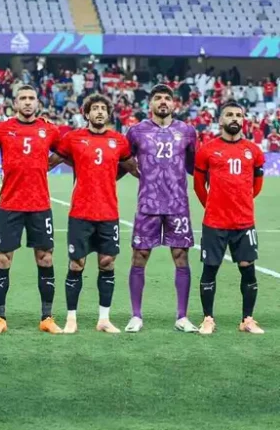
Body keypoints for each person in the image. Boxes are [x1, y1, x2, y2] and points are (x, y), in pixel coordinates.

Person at [0, 86, 62, 335]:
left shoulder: (49, 129)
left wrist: (47, 163)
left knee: (45, 258)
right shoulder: (2, 129)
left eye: (31, 98)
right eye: (22, 98)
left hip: (40, 205)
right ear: (15, 104)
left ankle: (47, 318)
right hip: (9, 205)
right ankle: (0, 318)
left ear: (38, 103)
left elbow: (65, 151)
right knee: (3, 258)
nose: (27, 102)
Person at [49, 93, 135, 334]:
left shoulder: (119, 141)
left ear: (108, 114)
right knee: (77, 264)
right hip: (81, 213)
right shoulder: (73, 138)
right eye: (94, 108)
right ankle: (71, 318)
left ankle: (104, 319)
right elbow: (50, 162)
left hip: (108, 213)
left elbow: (132, 167)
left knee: (107, 263)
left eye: (103, 109)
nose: (99, 112)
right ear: (86, 113)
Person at [124, 84, 199, 333]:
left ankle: (182, 317)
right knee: (139, 256)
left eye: (167, 98)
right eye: (158, 98)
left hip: (178, 204)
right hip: (148, 203)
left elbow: (194, 166)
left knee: (181, 256)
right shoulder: (136, 131)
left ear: (174, 103)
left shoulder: (187, 131)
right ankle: (136, 316)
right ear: (151, 104)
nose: (163, 101)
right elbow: (124, 161)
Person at [193, 100, 265, 335]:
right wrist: (212, 206)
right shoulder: (207, 150)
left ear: (243, 120)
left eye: (238, 115)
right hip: (215, 222)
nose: (235, 118)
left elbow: (257, 185)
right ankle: (208, 319)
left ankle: (247, 320)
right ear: (220, 119)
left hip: (244, 222)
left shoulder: (254, 151)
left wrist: (242, 202)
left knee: (248, 269)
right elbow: (198, 186)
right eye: (230, 115)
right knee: (210, 269)